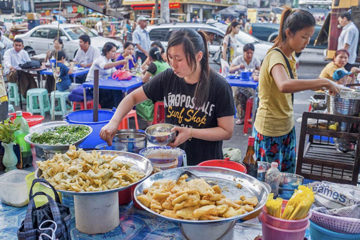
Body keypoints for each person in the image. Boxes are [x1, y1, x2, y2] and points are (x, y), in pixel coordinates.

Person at [100, 29, 235, 165]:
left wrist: (191, 132)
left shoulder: (219, 86)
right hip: (171, 161)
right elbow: (132, 98)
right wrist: (113, 122)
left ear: (198, 56)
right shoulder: (168, 77)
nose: (173, 64)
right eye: (170, 57)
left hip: (205, 164)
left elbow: (226, 131)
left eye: (179, 59)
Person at [253, 7, 341, 173]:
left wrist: (322, 84)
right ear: (289, 32)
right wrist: (320, 82)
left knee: (286, 178)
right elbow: (284, 85)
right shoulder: (275, 57)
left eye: (309, 37)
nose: (307, 41)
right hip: (270, 131)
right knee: (269, 182)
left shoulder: (290, 56)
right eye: (304, 37)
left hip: (286, 127)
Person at [86, 42, 132, 108]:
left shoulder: (109, 60)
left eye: (115, 51)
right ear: (106, 51)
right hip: (93, 86)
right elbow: (105, 66)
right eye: (113, 51)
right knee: (115, 92)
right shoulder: (100, 59)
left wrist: (124, 68)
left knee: (118, 90)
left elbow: (115, 72)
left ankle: (118, 110)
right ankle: (115, 110)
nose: (114, 54)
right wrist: (120, 62)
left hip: (104, 84)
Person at [136, 47, 170, 123]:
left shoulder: (154, 65)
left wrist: (141, 75)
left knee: (139, 101)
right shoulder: (165, 63)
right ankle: (156, 116)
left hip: (159, 95)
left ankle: (150, 120)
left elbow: (144, 79)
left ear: (150, 57)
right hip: (167, 93)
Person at [230, 43, 261, 125]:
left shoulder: (255, 60)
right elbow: (230, 70)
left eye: (251, 53)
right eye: (248, 53)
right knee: (237, 94)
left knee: (252, 96)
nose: (249, 55)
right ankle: (241, 117)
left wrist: (256, 72)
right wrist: (238, 67)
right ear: (244, 52)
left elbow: (260, 71)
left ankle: (251, 116)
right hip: (239, 83)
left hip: (250, 84)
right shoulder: (239, 59)